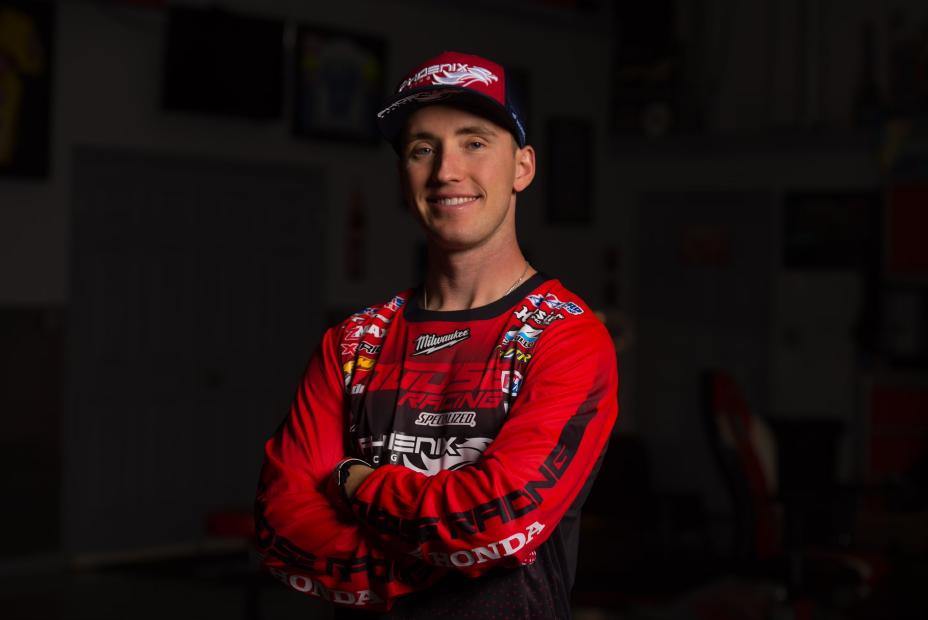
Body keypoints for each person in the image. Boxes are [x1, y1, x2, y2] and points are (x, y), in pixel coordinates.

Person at [255, 51, 619, 619]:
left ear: (522, 167)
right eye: (422, 149)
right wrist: (424, 568)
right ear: (404, 177)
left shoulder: (566, 337)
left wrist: (357, 483)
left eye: (474, 142)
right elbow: (283, 521)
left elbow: (497, 517)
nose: (446, 171)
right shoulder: (352, 343)